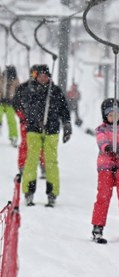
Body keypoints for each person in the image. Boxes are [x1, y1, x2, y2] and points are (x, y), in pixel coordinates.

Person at [20, 65, 72, 207]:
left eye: (46, 75)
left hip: (52, 130)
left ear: (49, 76)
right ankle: (29, 192)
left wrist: (67, 125)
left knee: (51, 161)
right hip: (34, 129)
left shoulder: (55, 91)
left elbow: (64, 110)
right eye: (41, 75)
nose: (43, 78)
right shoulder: (30, 90)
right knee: (31, 159)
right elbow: (24, 106)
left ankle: (52, 193)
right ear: (36, 76)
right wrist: (32, 118)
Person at [91, 98, 119, 243]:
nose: (113, 117)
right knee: (103, 195)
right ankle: (98, 225)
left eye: (116, 114)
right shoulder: (101, 129)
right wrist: (108, 148)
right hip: (106, 166)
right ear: (105, 116)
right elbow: (101, 141)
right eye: (110, 115)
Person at [13, 65, 47, 177]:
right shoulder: (23, 88)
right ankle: (23, 166)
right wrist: (22, 117)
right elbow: (16, 104)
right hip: (26, 122)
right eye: (34, 74)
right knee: (25, 144)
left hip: (41, 123)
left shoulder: (45, 89)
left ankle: (44, 166)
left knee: (42, 145)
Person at [0, 65, 20, 147]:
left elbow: (19, 92)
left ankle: (13, 136)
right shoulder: (1, 78)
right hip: (0, 102)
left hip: (10, 103)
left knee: (11, 120)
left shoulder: (16, 81)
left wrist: (13, 100)